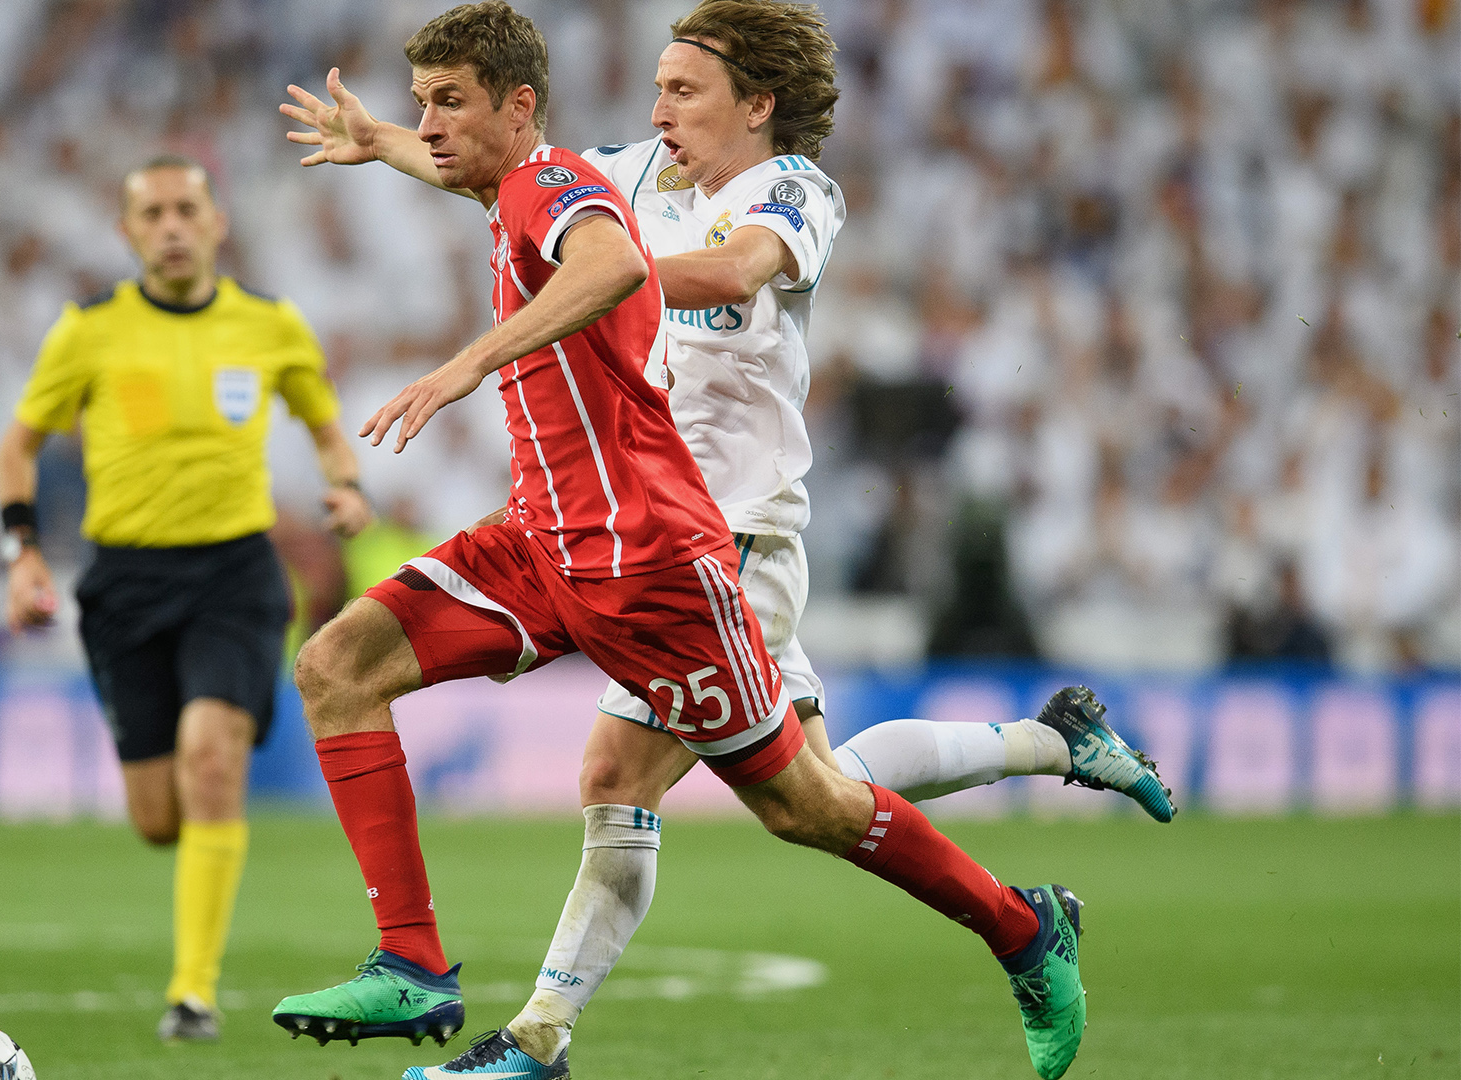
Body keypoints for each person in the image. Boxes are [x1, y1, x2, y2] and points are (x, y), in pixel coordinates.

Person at [283, 2, 1175, 1077]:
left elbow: (734, 268)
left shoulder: (790, 191)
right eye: (655, 86)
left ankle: (538, 1043)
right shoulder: (624, 175)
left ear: (757, 106)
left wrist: (571, 279)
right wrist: (387, 141)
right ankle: (1051, 749)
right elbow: (502, 172)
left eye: (683, 91)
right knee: (802, 784)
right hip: (579, 524)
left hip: (725, 535)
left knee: (759, 794)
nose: (656, 109)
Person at [0, 156, 373, 1043]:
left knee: (212, 757)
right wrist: (20, 556)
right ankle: (189, 932)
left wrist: (346, 485)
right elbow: (15, 448)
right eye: (152, 212)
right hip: (124, 585)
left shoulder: (270, 325)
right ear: (128, 233)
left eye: (186, 209)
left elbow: (324, 424)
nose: (170, 225)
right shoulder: (87, 331)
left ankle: (192, 994)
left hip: (235, 576)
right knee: (159, 817)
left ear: (216, 224)